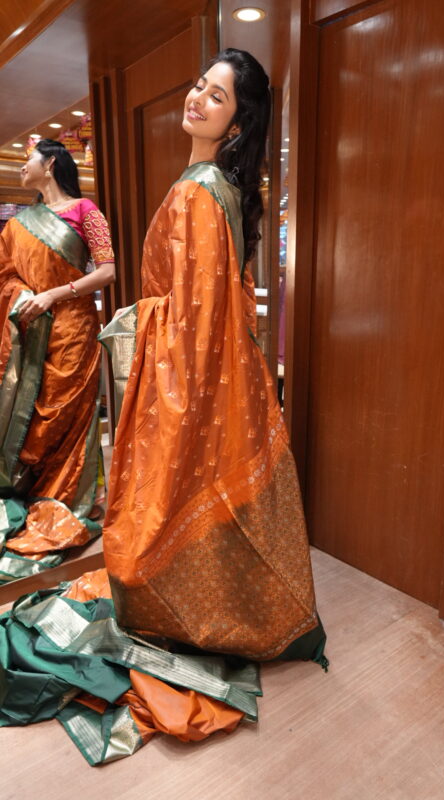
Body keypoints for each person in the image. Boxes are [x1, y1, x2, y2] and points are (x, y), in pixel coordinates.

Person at [0, 51, 327, 764]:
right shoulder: (210, 185)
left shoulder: (201, 192)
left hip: (190, 370)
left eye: (218, 96)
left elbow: (197, 315)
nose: (198, 98)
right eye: (200, 85)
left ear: (236, 123)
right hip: (206, 364)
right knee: (192, 493)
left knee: (162, 499)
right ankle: (210, 596)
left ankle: (186, 606)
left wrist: (141, 321)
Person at [0, 139, 115, 584]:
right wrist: (24, 296)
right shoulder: (18, 224)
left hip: (73, 329)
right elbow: (6, 275)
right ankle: (36, 492)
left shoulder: (87, 211)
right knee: (32, 414)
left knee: (67, 414)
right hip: (32, 328)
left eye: (27, 160)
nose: (21, 168)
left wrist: (53, 294)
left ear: (49, 163)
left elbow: (107, 270)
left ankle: (71, 496)